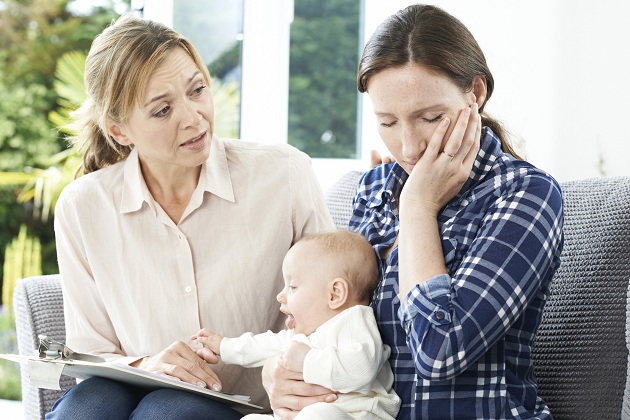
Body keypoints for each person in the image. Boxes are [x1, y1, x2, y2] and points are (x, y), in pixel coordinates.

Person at [263, 4, 564, 419]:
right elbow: (334, 322)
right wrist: (280, 376)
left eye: (430, 118)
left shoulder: (524, 193)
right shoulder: (373, 189)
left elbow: (441, 351)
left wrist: (418, 209)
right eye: (387, 122)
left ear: (475, 93)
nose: (408, 147)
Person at [48, 12, 335, 420]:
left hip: (247, 404)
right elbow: (92, 354)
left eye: (197, 90)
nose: (193, 116)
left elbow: (331, 315)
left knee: (168, 410)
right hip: (130, 392)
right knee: (87, 408)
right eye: (162, 110)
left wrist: (282, 367)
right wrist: (146, 365)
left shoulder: (283, 175)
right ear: (119, 131)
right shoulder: (82, 207)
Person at [192, 230, 401, 419]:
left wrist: (307, 360)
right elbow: (265, 345)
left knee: (318, 414)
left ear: (335, 294)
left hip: (357, 415)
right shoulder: (304, 333)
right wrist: (224, 346)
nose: (280, 296)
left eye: (292, 286)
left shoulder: (354, 320)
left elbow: (361, 369)